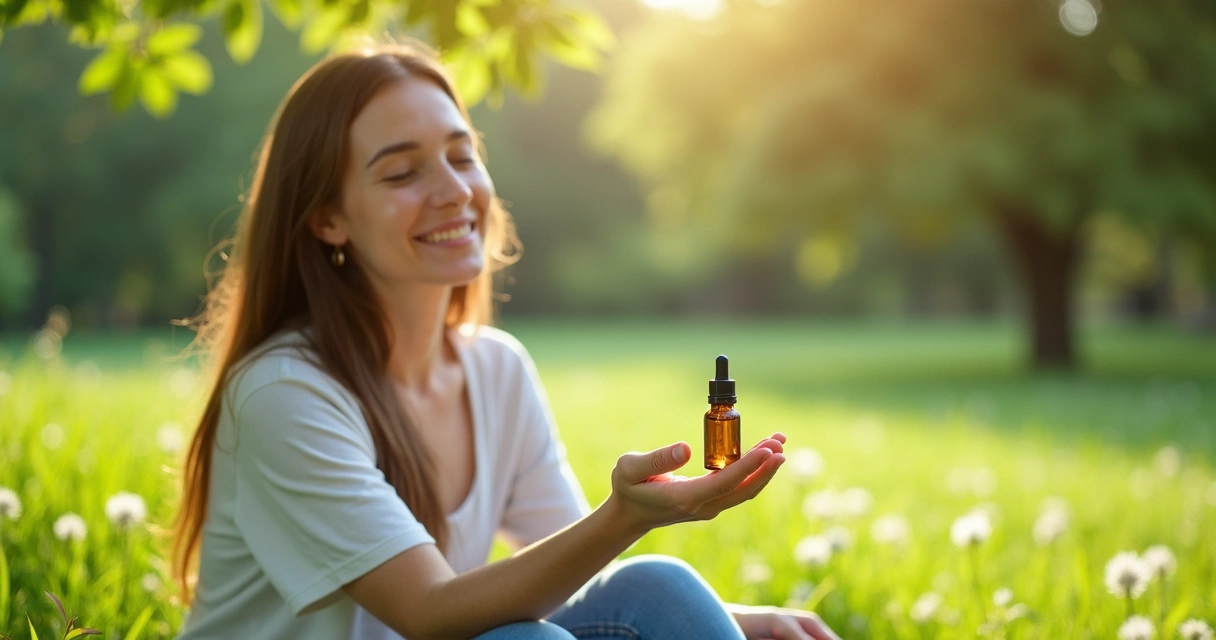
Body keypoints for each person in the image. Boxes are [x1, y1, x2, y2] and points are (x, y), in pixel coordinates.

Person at [169, 42, 841, 640]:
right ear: (328, 220)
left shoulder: (496, 368)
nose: (454, 190)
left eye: (462, 156)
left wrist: (731, 620)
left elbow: (574, 574)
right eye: (403, 173)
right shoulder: (286, 393)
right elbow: (429, 613)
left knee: (658, 588)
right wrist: (625, 516)